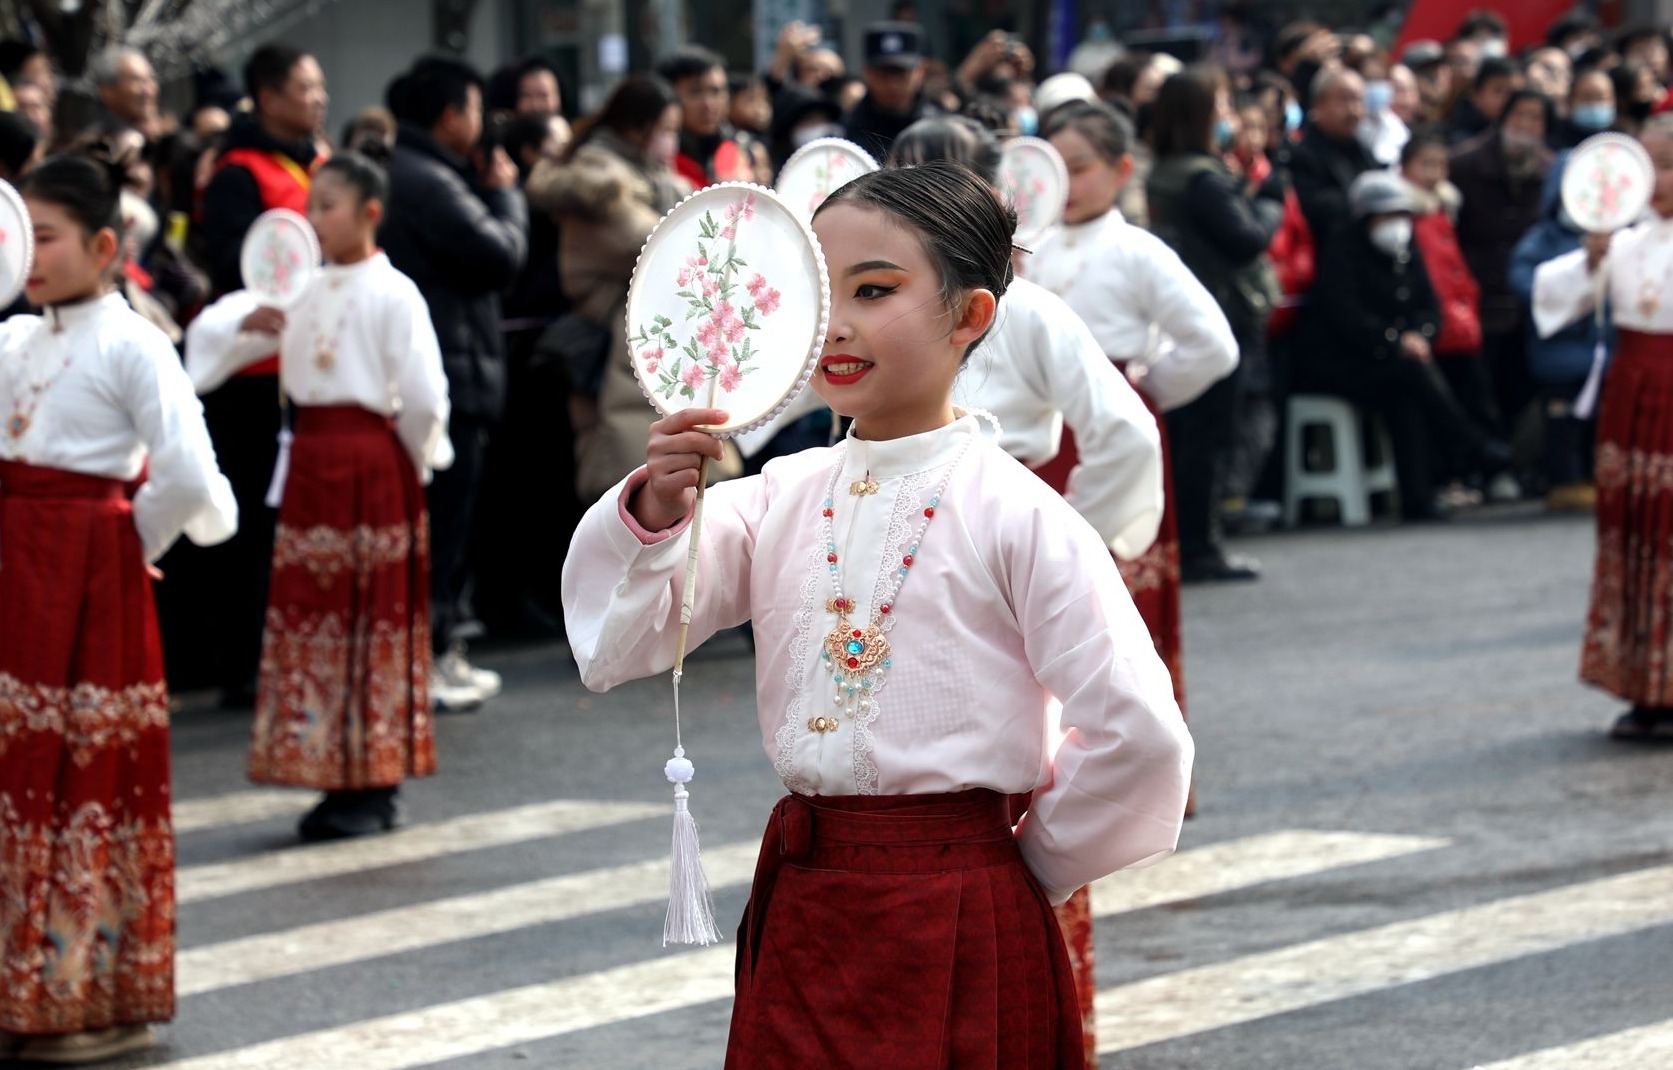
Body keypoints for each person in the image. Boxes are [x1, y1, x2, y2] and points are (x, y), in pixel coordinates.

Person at [562, 160, 1192, 1069]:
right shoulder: (780, 493)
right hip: (807, 904)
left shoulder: (1019, 514)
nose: (839, 326)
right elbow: (618, 644)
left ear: (970, 315)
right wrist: (657, 512)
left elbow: (1140, 737)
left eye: (875, 289)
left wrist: (1025, 868)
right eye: (822, 294)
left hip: (960, 906)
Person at [888, 117, 1168, 1062]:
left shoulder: (1031, 311)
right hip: (889, 559)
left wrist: (1080, 540)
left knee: (1015, 762)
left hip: (1004, 544)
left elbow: (1124, 431)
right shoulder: (881, 309)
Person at [0, 154, 238, 1064]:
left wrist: (120, 546)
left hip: (90, 582)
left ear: (103, 246)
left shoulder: (132, 340)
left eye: (47, 235)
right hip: (21, 575)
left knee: (89, 778)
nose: (29, 252)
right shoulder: (13, 340)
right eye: (22, 232)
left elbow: (188, 475)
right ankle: (26, 986)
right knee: (24, 775)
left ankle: (91, 999)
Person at [186, 150, 452, 840]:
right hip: (313, 462)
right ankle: (334, 774)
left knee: (370, 621)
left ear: (369, 212)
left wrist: (414, 459)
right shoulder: (296, 289)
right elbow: (212, 335)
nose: (314, 220)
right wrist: (250, 325)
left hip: (369, 461)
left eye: (327, 205)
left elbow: (424, 398)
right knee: (317, 621)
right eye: (312, 206)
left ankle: (373, 780)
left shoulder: (395, 292)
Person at [175, 42, 327, 707]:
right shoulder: (238, 173)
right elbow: (243, 267)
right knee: (254, 527)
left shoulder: (325, 164)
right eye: (304, 86)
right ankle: (245, 663)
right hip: (256, 379)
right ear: (267, 95)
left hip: (317, 373)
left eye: (320, 86)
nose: (318, 97)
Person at [381, 54, 528, 707]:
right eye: (473, 108)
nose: (481, 122)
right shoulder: (431, 182)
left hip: (443, 368)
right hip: (450, 371)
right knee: (443, 527)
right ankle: (431, 656)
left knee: (441, 527)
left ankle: (437, 650)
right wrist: (503, 192)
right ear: (448, 116)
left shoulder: (413, 172)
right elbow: (498, 254)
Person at [1532, 116, 1673, 740]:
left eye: (1666, 164)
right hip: (1630, 401)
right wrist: (1591, 256)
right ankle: (1646, 687)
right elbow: (1551, 295)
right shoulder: (1625, 240)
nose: (1656, 179)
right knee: (1632, 534)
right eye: (1650, 164)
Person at [1296, 171, 1509, 521]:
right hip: (1344, 363)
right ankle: (1470, 444)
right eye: (1388, 216)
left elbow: (1429, 305)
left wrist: (1420, 336)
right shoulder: (1342, 253)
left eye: (1402, 216)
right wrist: (1395, 340)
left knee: (1407, 392)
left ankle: (1418, 498)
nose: (1398, 224)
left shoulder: (1407, 252)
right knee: (1411, 374)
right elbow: (1346, 317)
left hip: (1395, 363)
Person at [1146, 67, 1282, 582]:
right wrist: (1269, 202)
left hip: (1186, 312)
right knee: (1209, 435)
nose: (1228, 116)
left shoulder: (1165, 169)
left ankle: (1189, 542)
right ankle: (1202, 546)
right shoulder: (1200, 178)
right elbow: (1246, 239)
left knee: (1191, 433)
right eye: (1222, 104)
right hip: (1220, 311)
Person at [527, 75, 686, 506]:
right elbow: (664, 243)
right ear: (638, 129)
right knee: (627, 483)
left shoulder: (642, 175)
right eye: (667, 130)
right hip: (616, 339)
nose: (673, 142)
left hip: (635, 333)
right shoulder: (601, 184)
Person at [1451, 88, 1555, 443]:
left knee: (1520, 385)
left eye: (1535, 118)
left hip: (1527, 298)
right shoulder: (1464, 163)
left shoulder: (1550, 170)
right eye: (1518, 115)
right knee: (1481, 388)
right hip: (1478, 293)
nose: (1525, 125)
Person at [1510, 152, 1608, 513]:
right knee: (1562, 422)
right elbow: (1523, 282)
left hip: (1604, 353)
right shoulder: (1541, 239)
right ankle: (1564, 481)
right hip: (1559, 355)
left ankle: (1597, 478)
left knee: (1599, 424)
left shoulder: (1616, 237)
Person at [1289, 66, 1376, 257]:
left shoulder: (1364, 152)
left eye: (1358, 100)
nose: (1353, 110)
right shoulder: (1302, 155)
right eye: (1344, 99)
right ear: (1318, 104)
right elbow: (1316, 210)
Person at [655, 46, 754, 188]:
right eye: (695, 93)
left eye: (716, 92)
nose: (709, 105)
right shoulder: (657, 158)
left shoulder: (740, 150)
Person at [843, 20, 938, 161]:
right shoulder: (846, 132)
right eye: (883, 75)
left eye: (901, 75)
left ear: (920, 72)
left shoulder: (938, 127)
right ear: (866, 73)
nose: (893, 85)